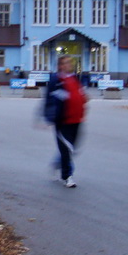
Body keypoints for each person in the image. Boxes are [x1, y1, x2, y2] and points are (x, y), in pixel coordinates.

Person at [43, 55, 87, 188]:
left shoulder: (74, 78)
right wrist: (49, 117)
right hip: (63, 120)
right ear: (60, 65)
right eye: (66, 63)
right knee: (67, 149)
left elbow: (80, 95)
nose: (69, 65)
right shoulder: (56, 80)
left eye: (70, 62)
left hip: (77, 120)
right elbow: (49, 99)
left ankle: (58, 163)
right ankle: (67, 176)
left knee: (73, 149)